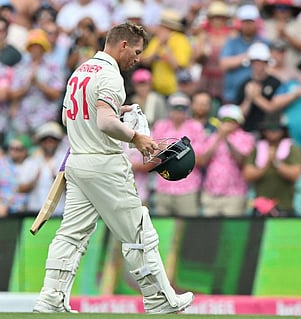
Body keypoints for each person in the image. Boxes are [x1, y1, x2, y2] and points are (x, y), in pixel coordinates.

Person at [33, 22, 194, 314]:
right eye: (136, 51)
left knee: (71, 233)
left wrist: (121, 111)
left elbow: (77, 114)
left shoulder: (80, 72)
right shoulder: (111, 76)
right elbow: (105, 123)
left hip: (78, 162)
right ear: (122, 45)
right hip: (105, 163)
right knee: (139, 231)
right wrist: (137, 137)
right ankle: (158, 300)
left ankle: (50, 298)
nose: (137, 58)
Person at [150, 92, 204, 217]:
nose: (179, 111)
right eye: (175, 107)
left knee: (188, 227)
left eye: (183, 108)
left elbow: (200, 158)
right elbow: (151, 154)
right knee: (162, 226)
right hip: (164, 185)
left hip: (188, 187)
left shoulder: (195, 127)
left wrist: (167, 150)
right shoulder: (160, 126)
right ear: (169, 109)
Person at [198, 104, 255, 217]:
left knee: (231, 231)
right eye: (224, 120)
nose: (227, 123)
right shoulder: (212, 137)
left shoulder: (246, 137)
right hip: (211, 192)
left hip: (234, 194)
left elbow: (241, 160)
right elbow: (203, 160)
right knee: (209, 231)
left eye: (231, 120)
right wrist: (219, 138)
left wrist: (227, 139)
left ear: (238, 122)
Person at [243, 113, 301, 216]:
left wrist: (276, 162)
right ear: (264, 130)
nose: (272, 131)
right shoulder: (257, 149)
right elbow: (247, 175)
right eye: (269, 128)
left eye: (276, 128)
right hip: (260, 207)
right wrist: (266, 164)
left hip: (284, 207)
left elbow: (295, 175)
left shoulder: (293, 149)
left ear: (283, 130)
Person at [236, 42, 282, 135]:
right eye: (254, 62)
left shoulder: (275, 83)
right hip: (247, 131)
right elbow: (239, 115)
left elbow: (274, 109)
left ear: (266, 63)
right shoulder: (243, 84)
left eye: (261, 62)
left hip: (270, 133)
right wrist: (248, 99)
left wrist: (257, 97)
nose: (257, 65)